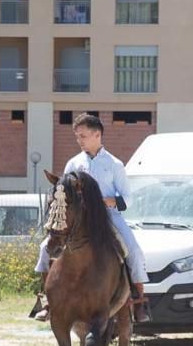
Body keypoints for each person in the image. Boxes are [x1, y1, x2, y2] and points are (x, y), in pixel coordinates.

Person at [33, 113, 149, 323]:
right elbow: (64, 190)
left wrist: (108, 201)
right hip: (78, 219)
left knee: (134, 250)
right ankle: (46, 300)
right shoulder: (74, 164)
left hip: (108, 216)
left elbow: (128, 199)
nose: (79, 140)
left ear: (97, 134)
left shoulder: (115, 164)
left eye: (83, 136)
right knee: (45, 248)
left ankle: (138, 300)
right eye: (77, 136)